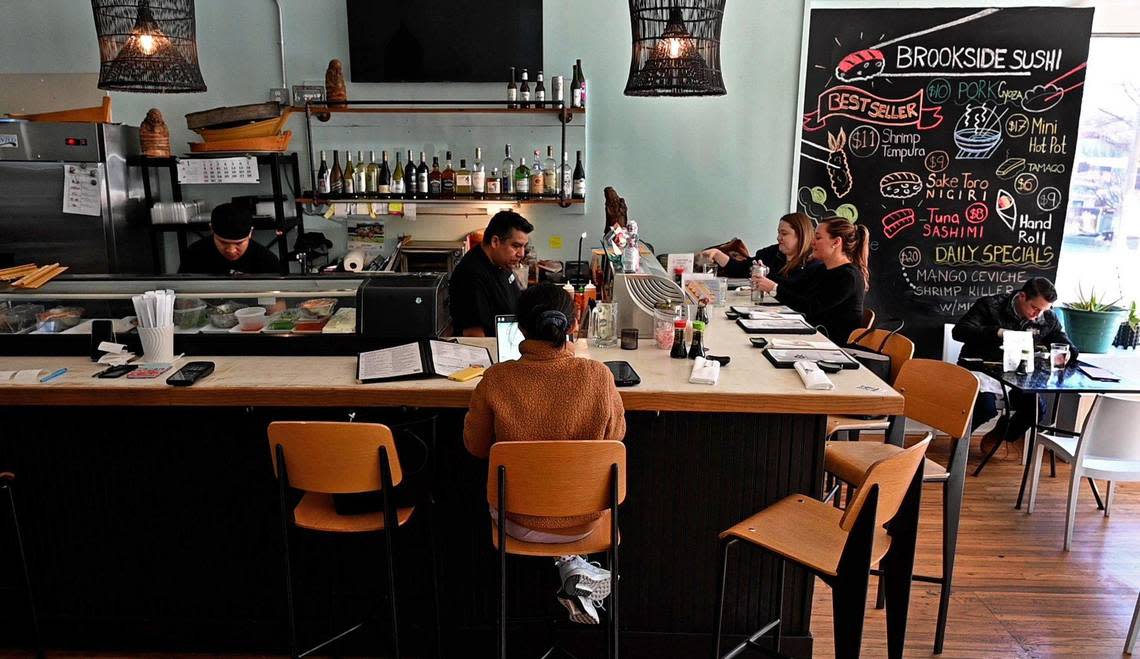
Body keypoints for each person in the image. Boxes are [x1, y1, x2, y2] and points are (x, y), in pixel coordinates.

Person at [464, 283, 626, 625]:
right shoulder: (598, 376)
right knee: (564, 497)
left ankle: (571, 568)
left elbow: (476, 448)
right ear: (574, 323)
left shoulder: (495, 379)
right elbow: (615, 439)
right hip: (583, 523)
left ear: (519, 327)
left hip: (516, 520)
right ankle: (571, 565)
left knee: (532, 497)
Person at [953, 277, 1078, 456]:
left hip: (1017, 374)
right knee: (985, 407)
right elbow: (960, 331)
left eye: (1043, 310)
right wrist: (997, 332)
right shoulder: (989, 305)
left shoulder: (1046, 317)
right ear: (1022, 296)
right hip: (980, 369)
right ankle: (959, 439)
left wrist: (1070, 353)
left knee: (1036, 409)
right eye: (1035, 308)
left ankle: (1002, 434)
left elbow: (1061, 339)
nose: (1038, 315)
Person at [751, 217, 869, 342]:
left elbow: (809, 307)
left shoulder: (848, 277)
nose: (812, 242)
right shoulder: (822, 269)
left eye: (818, 238)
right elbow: (795, 287)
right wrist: (765, 275)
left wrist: (773, 288)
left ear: (836, 242)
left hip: (831, 345)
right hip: (813, 337)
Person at [449, 210, 533, 337]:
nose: (521, 253)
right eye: (516, 246)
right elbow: (474, 335)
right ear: (495, 242)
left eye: (523, 247)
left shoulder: (501, 262)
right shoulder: (471, 275)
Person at [700, 212, 821, 285]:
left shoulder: (814, 261)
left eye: (784, 234)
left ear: (801, 235)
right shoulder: (770, 253)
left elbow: (795, 287)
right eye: (778, 233)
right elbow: (742, 269)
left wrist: (765, 277)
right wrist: (717, 254)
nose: (778, 238)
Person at [178, 203, 280, 275]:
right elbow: (183, 298)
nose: (231, 250)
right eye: (223, 242)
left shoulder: (266, 260)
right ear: (211, 229)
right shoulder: (194, 255)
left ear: (250, 232)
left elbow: (279, 301)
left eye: (239, 243)